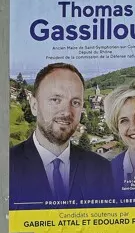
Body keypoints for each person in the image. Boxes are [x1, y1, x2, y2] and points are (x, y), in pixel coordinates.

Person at [9, 63, 117, 209]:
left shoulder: (101, 169)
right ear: (34, 106)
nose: (67, 112)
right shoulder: (7, 166)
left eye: (75, 102)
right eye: (55, 100)